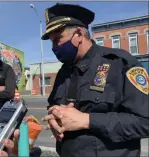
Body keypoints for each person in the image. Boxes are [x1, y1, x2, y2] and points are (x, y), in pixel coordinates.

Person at [41, 3, 149, 157]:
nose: (54, 47)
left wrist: (87, 120)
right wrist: (54, 119)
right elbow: (54, 106)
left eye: (58, 39)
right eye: (52, 42)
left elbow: (145, 122)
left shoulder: (119, 63)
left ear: (78, 34)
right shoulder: (63, 72)